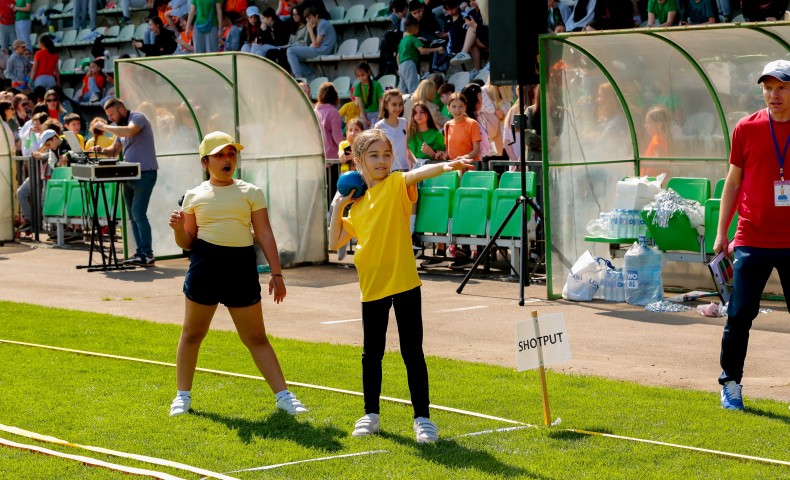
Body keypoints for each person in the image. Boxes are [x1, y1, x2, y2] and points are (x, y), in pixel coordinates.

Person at [328, 129, 473, 443]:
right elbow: (334, 241)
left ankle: (422, 418)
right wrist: (339, 206)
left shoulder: (395, 184)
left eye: (386, 155)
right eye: (374, 156)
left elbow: (417, 173)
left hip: (405, 282)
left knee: (412, 352)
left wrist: (449, 165)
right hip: (372, 285)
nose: (382, 161)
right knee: (372, 353)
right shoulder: (357, 208)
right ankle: (370, 414)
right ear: (358, 161)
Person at [167, 131, 308, 417]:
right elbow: (188, 243)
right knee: (193, 333)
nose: (227, 159)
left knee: (256, 336)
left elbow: (265, 233)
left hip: (241, 267)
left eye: (231, 153)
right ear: (205, 161)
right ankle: (182, 397)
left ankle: (284, 397)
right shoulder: (194, 195)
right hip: (205, 264)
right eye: (219, 155)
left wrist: (277, 275)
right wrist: (178, 229)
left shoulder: (251, 192)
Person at [713, 60, 790, 411]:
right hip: (751, 237)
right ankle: (730, 383)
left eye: (782, 87)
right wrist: (721, 233)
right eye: (768, 87)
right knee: (740, 313)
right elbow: (732, 182)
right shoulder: (746, 128)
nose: (774, 95)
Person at [92, 98, 158, 267]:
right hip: (129, 174)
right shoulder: (120, 128)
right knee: (132, 217)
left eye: (112, 114)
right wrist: (101, 151)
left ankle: (148, 254)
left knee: (138, 214)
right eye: (108, 116)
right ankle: (140, 253)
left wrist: (105, 127)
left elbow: (129, 132)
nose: (111, 118)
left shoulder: (137, 118)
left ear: (121, 109)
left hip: (145, 174)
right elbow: (114, 151)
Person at [397, 15, 443, 95]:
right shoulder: (413, 39)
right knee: (413, 90)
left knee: (403, 91)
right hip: (409, 64)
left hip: (401, 66)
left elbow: (397, 56)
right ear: (415, 27)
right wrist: (437, 49)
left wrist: (399, 68)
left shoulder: (402, 41)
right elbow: (422, 51)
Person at [285, 6, 336, 79]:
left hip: (323, 50)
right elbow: (316, 43)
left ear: (316, 16)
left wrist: (310, 29)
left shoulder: (322, 24)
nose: (309, 21)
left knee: (290, 51)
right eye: (307, 19)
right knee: (292, 58)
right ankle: (310, 75)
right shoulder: (320, 24)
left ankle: (299, 77)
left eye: (310, 18)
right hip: (320, 49)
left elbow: (316, 44)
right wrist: (313, 44)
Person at [374, 88, 412, 172]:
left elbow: (407, 148)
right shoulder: (379, 126)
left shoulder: (404, 123)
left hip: (405, 169)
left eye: (400, 104)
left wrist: (414, 163)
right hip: (389, 171)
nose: (398, 108)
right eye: (394, 104)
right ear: (386, 105)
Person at [352, 62, 384, 129]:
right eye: (358, 76)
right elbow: (359, 104)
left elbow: (381, 101)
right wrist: (364, 118)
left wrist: (380, 115)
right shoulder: (358, 87)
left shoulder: (376, 85)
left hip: (376, 113)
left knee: (374, 131)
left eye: (363, 75)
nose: (361, 78)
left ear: (368, 72)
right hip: (364, 114)